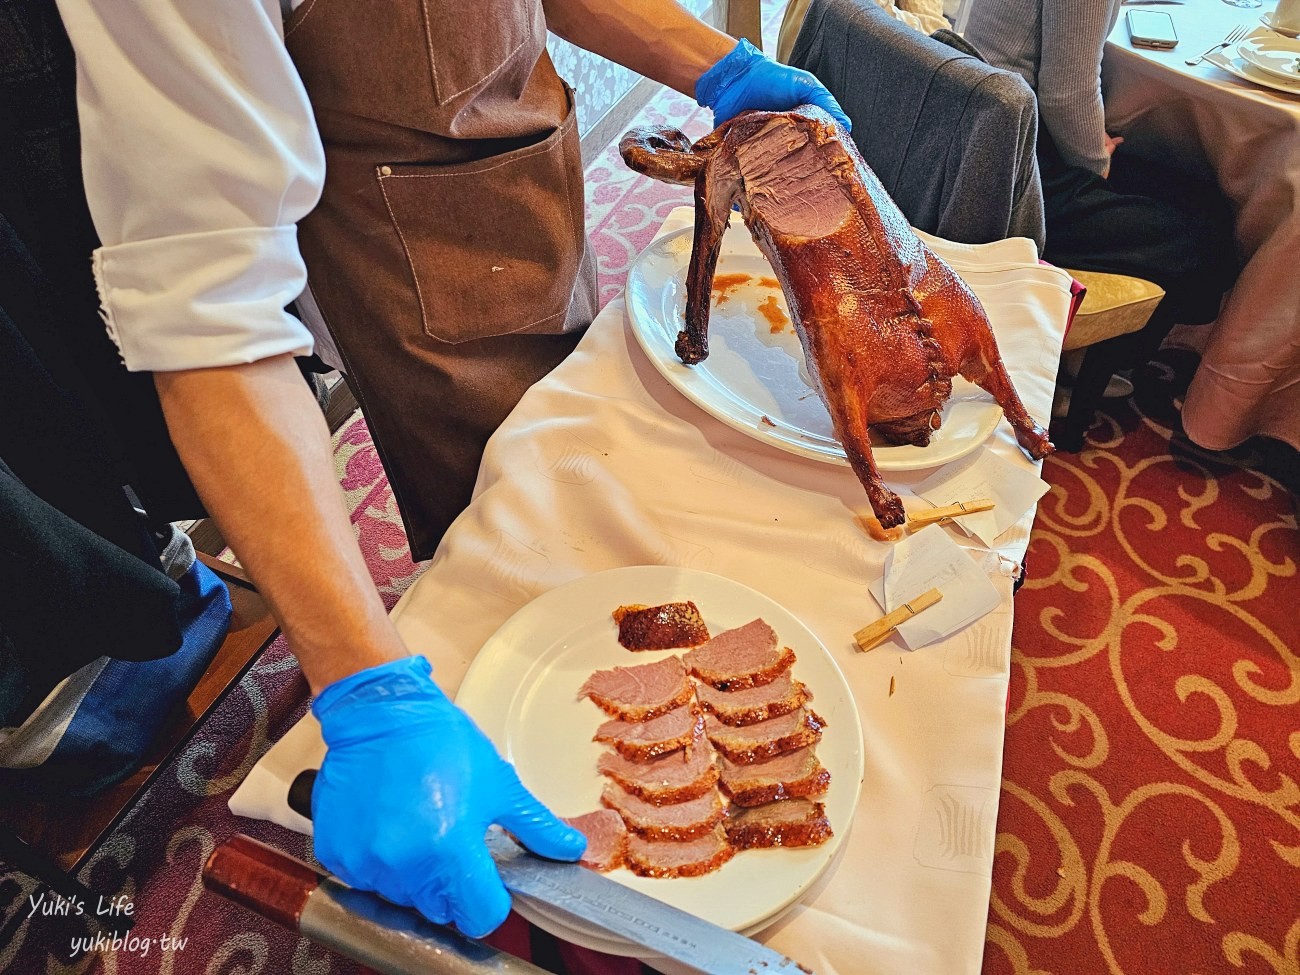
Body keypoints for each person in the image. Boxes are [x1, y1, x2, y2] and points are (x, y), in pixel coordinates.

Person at [47, 0, 850, 939]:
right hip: (411, 254)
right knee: (504, 582)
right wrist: (364, 688)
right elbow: (210, 326)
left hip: (524, 176)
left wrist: (715, 65)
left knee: (597, 488)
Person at [962, 0, 1237, 404]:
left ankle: (1080, 353)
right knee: (1206, 229)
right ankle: (1084, 361)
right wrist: (1098, 164)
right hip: (1015, 163)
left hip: (978, 126)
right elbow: (1066, 92)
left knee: (1188, 200)